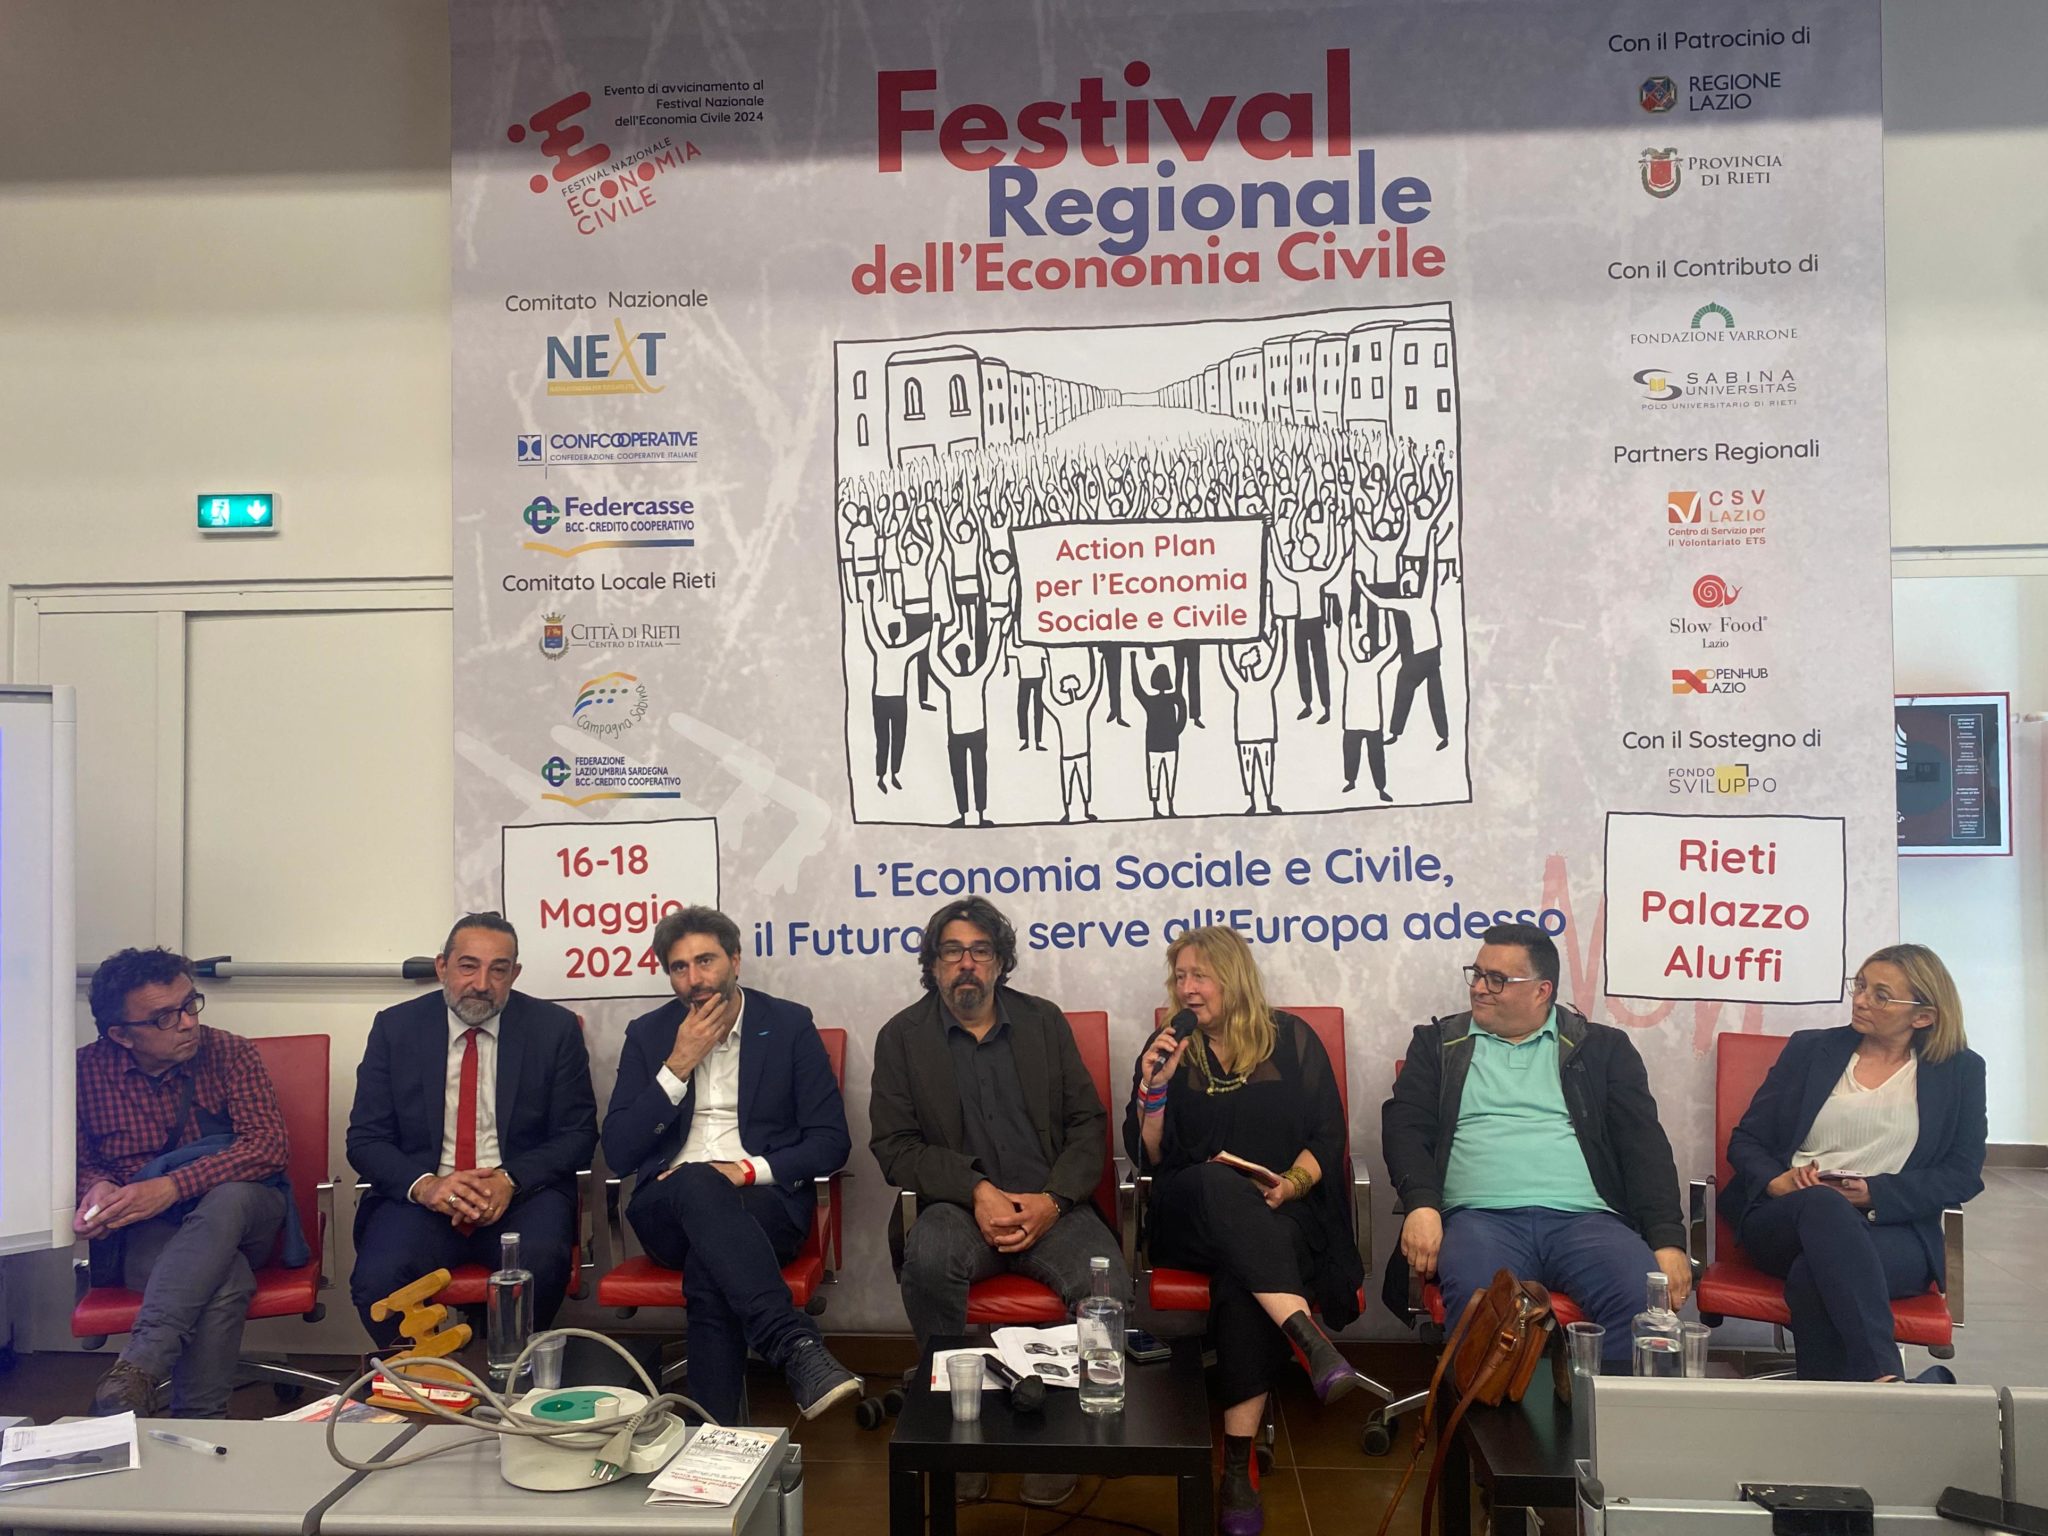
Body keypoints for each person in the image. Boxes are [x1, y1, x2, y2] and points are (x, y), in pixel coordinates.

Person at [870, 895, 1129, 1508]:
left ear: (1000, 961)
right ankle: (957, 1434)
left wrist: (1053, 1201)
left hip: (1052, 1205)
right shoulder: (902, 1037)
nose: (967, 963)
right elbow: (894, 1146)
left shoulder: (1044, 1022)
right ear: (933, 964)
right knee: (930, 1257)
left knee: (1108, 1286)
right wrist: (976, 1190)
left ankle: (1060, 1439)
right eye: (952, 951)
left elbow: (1087, 1125)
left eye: (980, 951)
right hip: (959, 1210)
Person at [1125, 927, 1365, 1536]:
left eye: (1200, 976)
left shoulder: (1293, 1040)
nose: (1187, 988)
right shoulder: (1168, 1048)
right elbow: (1149, 1156)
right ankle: (1304, 1335)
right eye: (1180, 977)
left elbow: (1327, 1139)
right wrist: (1154, 1087)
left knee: (1245, 1275)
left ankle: (1237, 1469)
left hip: (1281, 1210)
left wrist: (1289, 1185)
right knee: (1214, 1180)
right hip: (1188, 1210)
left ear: (1233, 978)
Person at [1382, 922, 1690, 1362]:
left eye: (1497, 979)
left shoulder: (1602, 1049)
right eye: (1477, 974)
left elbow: (1644, 1146)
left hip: (1588, 1222)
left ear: (1542, 990)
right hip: (1479, 1219)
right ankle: (1496, 1412)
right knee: (1484, 1308)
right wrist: (1421, 1204)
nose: (1479, 988)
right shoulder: (1440, 1045)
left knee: (1643, 1307)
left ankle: (1604, 1410)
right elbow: (1405, 1127)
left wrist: (1668, 1239)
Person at [602, 907, 862, 1422]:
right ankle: (792, 1344)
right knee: (696, 1183)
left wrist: (744, 1171)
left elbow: (831, 1142)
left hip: (764, 1206)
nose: (694, 979)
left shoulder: (787, 1025)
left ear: (736, 960)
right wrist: (678, 1064)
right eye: (679, 967)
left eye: (706, 961)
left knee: (712, 1266)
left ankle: (712, 1440)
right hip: (666, 1211)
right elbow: (619, 1151)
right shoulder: (649, 1035)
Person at [1720, 944, 1985, 1382]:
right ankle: (1885, 1379)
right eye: (1859, 986)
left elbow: (1963, 1172)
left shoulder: (1960, 1071)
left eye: (1881, 995)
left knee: (1813, 1276)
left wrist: (1874, 1193)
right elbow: (1746, 1139)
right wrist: (1777, 1181)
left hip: (1893, 1232)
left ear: (1923, 1016)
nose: (1860, 1000)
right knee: (1823, 1204)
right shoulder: (1811, 1050)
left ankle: (1846, 1406)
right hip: (1788, 1218)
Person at [347, 913, 596, 1344]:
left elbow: (578, 1135)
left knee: (539, 1264)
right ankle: (423, 1374)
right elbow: (365, 1139)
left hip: (520, 1196)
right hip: (424, 1196)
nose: (482, 983)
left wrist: (508, 1180)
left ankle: (511, 1374)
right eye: (468, 966)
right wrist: (428, 1187)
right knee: (378, 1278)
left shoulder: (553, 1030)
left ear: (514, 974)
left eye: (498, 970)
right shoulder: (396, 1028)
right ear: (442, 966)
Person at [74, 947, 296, 1417]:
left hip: (247, 1215)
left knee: (228, 1198)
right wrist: (97, 1189)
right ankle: (203, 1421)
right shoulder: (83, 1073)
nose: (188, 1023)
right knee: (226, 1279)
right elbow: (82, 1163)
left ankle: (142, 1361)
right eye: (164, 1018)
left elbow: (268, 1147)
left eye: (190, 1004)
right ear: (120, 1034)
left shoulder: (230, 1052)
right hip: (149, 1233)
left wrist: (172, 1187)